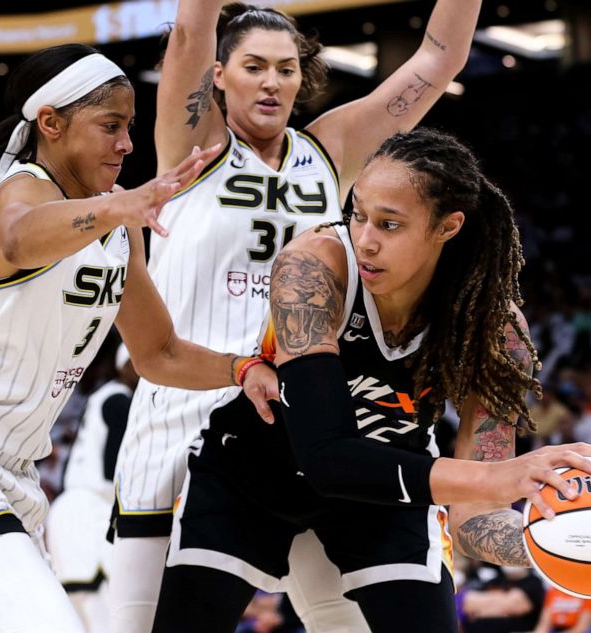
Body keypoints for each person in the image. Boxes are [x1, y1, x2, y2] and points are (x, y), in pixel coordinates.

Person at [0, 43, 275, 633]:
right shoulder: (20, 191)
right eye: (110, 126)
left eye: (129, 127)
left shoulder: (116, 229)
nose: (127, 144)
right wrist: (116, 210)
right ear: (51, 124)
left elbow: (159, 354)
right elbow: (16, 240)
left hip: (18, 477)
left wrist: (243, 368)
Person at [111, 1, 488, 630]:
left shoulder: (330, 149)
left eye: (286, 69)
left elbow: (438, 58)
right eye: (253, 66)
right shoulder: (193, 143)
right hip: (183, 414)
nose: (272, 81)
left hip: (305, 425)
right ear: (218, 74)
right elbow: (187, 32)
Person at [149, 128, 591, 633]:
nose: (365, 238)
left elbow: (475, 518)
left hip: (387, 493)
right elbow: (327, 457)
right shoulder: (314, 267)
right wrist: (498, 476)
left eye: (389, 224)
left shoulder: (495, 331)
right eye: (358, 213)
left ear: (447, 227)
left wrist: (564, 545)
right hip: (252, 473)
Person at [45, 344, 138, 633]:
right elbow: (114, 472)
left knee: (77, 618)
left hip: (69, 511)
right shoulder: (119, 401)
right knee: (108, 616)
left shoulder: (103, 397)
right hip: (92, 512)